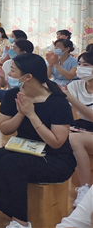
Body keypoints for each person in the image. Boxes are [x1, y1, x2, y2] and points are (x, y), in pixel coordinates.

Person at [0, 53, 75, 228]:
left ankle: (20, 221)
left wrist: (32, 114)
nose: (9, 74)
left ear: (28, 76)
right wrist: (21, 113)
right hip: (24, 148)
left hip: (54, 158)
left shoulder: (57, 101)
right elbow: (5, 128)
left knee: (12, 163)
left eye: (13, 70)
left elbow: (56, 142)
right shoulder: (13, 95)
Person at [63, 51, 93, 207]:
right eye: (79, 64)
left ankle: (85, 189)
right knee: (60, 135)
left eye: (86, 65)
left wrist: (70, 98)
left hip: (85, 131)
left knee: (73, 139)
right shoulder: (75, 85)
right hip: (81, 128)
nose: (81, 68)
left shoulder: (71, 91)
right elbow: (64, 111)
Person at [0, 39, 34, 131]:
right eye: (11, 47)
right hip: (10, 94)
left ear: (23, 52)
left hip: (28, 95)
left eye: (14, 48)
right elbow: (3, 84)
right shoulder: (8, 63)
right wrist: (2, 77)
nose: (10, 50)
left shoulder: (32, 64)